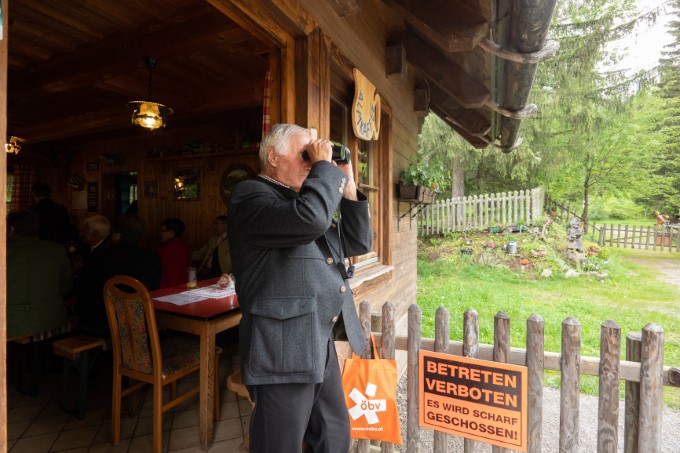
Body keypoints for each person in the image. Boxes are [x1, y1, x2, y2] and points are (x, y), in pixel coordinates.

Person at [228, 123, 373, 453]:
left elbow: (357, 242)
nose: (312, 162)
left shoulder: (305, 202)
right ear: (273, 157)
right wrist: (324, 170)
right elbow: (310, 220)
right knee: (280, 445)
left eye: (313, 155)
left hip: (318, 339)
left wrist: (348, 187)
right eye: (305, 154)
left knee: (335, 435)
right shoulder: (251, 197)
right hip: (282, 347)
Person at [75, 214, 162, 338]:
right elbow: (152, 291)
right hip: (135, 325)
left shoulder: (98, 255)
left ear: (116, 234)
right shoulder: (152, 258)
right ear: (141, 235)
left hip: (97, 323)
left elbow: (82, 288)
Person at [6, 210, 72, 339]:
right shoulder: (56, 250)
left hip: (10, 324)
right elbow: (66, 287)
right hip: (51, 323)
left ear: (11, 229)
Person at [191, 215, 231, 279]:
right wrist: (186, 256)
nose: (214, 227)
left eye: (216, 224)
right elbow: (201, 253)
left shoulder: (232, 241)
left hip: (222, 276)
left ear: (225, 225)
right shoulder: (213, 239)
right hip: (206, 272)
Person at [158, 217, 192, 288]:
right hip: (185, 287)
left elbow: (169, 277)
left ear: (172, 232)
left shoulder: (167, 250)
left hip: (170, 289)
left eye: (163, 231)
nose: (161, 234)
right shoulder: (183, 246)